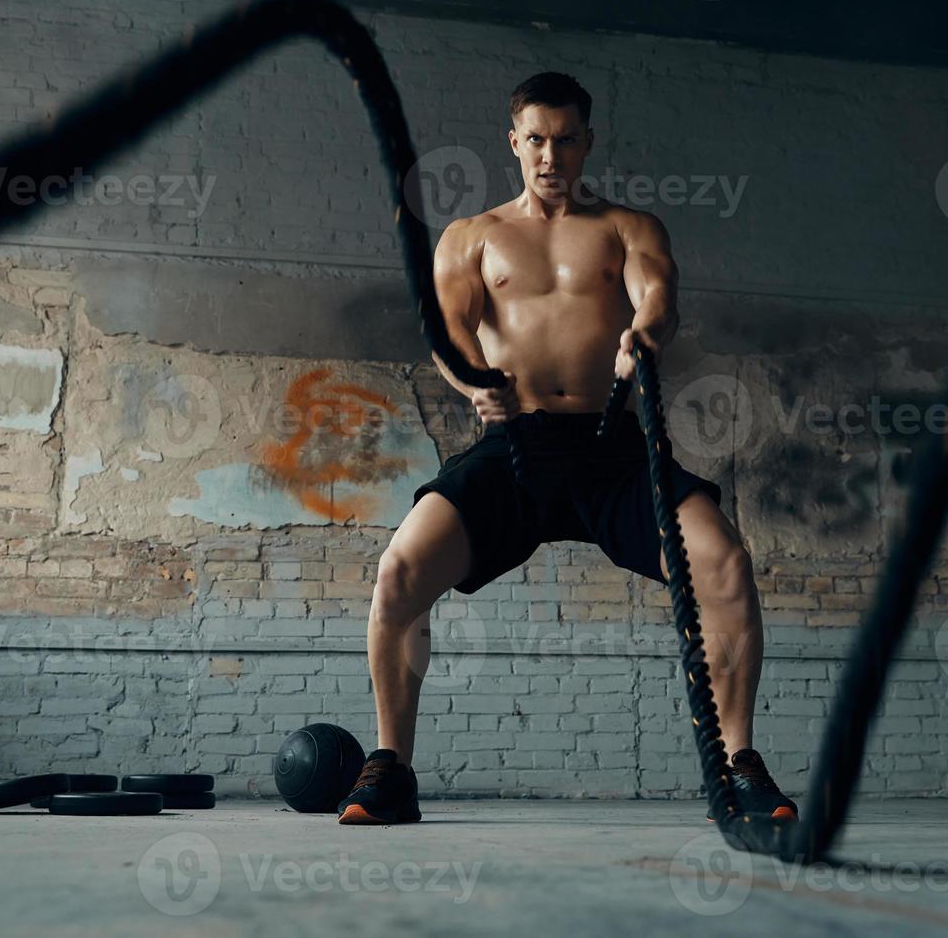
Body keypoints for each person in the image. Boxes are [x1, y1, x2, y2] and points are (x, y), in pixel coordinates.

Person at [337, 72, 795, 826]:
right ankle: (390, 768)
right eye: (537, 140)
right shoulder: (471, 237)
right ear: (514, 141)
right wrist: (472, 381)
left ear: (587, 142)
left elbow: (660, 298)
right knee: (399, 573)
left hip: (611, 445)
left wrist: (643, 339)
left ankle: (739, 764)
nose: (551, 155)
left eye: (566, 139)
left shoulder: (628, 228)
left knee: (726, 565)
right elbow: (449, 333)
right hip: (510, 444)